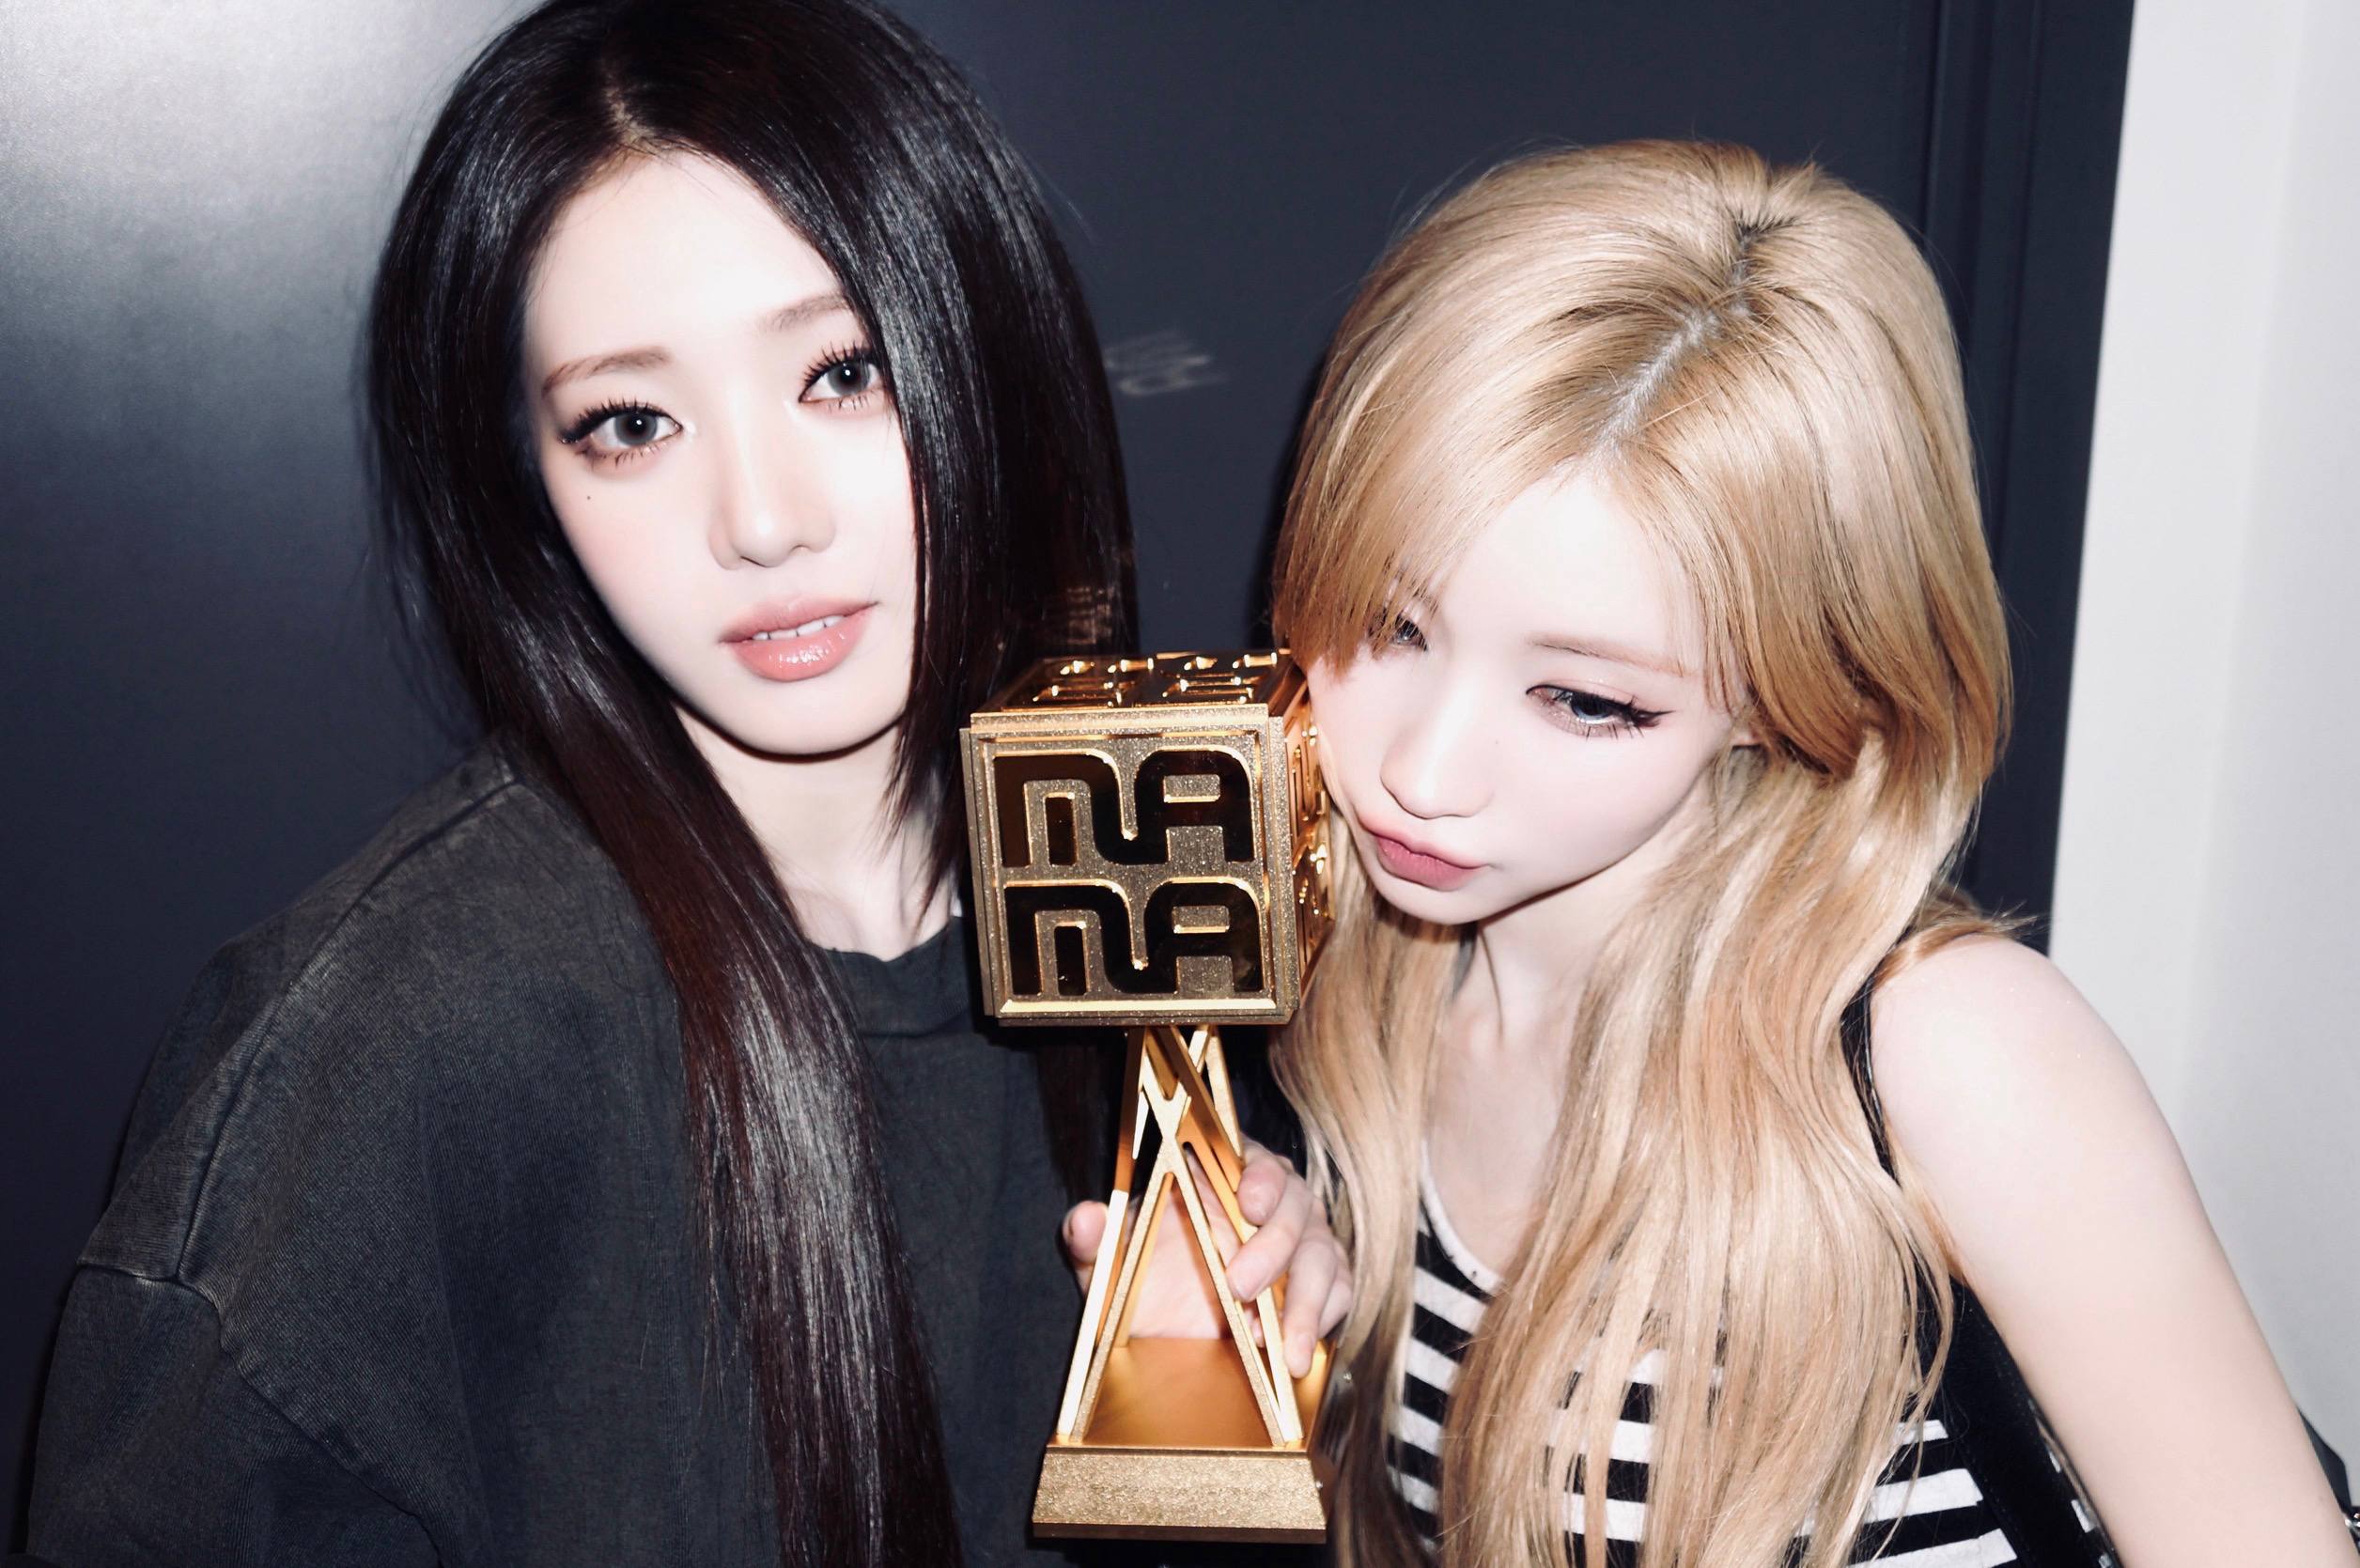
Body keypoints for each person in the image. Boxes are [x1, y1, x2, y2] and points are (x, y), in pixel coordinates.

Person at [25, 2, 1345, 1564]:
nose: (762, 521)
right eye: (631, 423)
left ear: (982, 354)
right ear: (528, 484)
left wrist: (1265, 1384)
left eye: (843, 371)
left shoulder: (1173, 897)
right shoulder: (396, 1050)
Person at [1267, 141, 2353, 1567]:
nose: (1421, 772)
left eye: (1585, 699)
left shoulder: (1942, 1057)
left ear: (1786, 690)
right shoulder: (1347, 1001)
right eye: (1393, 625)